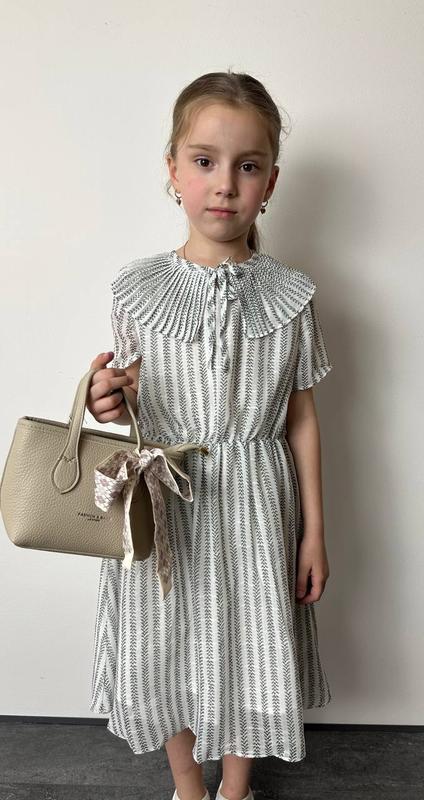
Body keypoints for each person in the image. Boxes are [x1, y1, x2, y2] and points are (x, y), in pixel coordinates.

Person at [87, 70, 334, 800]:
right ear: (172, 170)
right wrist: (107, 400)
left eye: (247, 166)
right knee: (164, 641)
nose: (225, 184)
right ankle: (187, 784)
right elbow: (134, 402)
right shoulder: (136, 290)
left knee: (249, 642)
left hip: (257, 504)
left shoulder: (292, 296)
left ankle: (235, 788)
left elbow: (301, 418)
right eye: (204, 161)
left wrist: (315, 533)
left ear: (271, 181)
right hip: (166, 500)